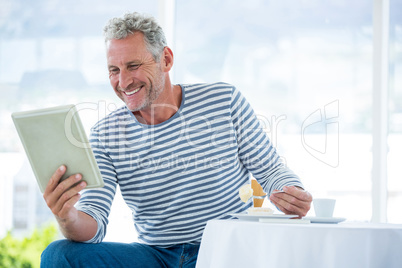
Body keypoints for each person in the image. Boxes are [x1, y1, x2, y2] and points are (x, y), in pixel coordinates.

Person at [40, 12, 312, 268]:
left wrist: (290, 192)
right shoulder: (105, 134)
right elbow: (94, 223)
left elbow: (271, 170)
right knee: (58, 256)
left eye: (133, 66)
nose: (123, 82)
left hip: (223, 250)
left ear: (166, 60)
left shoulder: (223, 101)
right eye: (114, 70)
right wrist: (67, 216)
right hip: (156, 256)